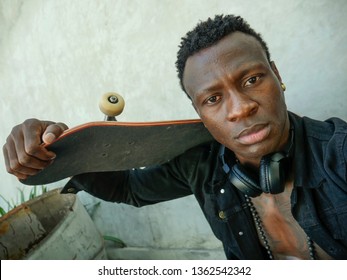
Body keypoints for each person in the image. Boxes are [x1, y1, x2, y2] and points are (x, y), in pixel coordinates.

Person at [3, 14, 347, 260]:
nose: (240, 108)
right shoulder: (201, 164)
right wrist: (65, 152)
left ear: (277, 74)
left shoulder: (340, 154)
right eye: (213, 99)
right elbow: (128, 189)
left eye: (252, 79)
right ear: (200, 113)